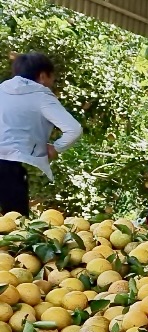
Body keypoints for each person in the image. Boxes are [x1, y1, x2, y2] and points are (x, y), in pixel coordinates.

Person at [0, 52, 83, 215]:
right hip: (12, 167)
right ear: (43, 76)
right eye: (53, 78)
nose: (52, 83)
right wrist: (56, 148)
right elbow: (74, 129)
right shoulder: (41, 95)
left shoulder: (1, 90)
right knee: (15, 226)